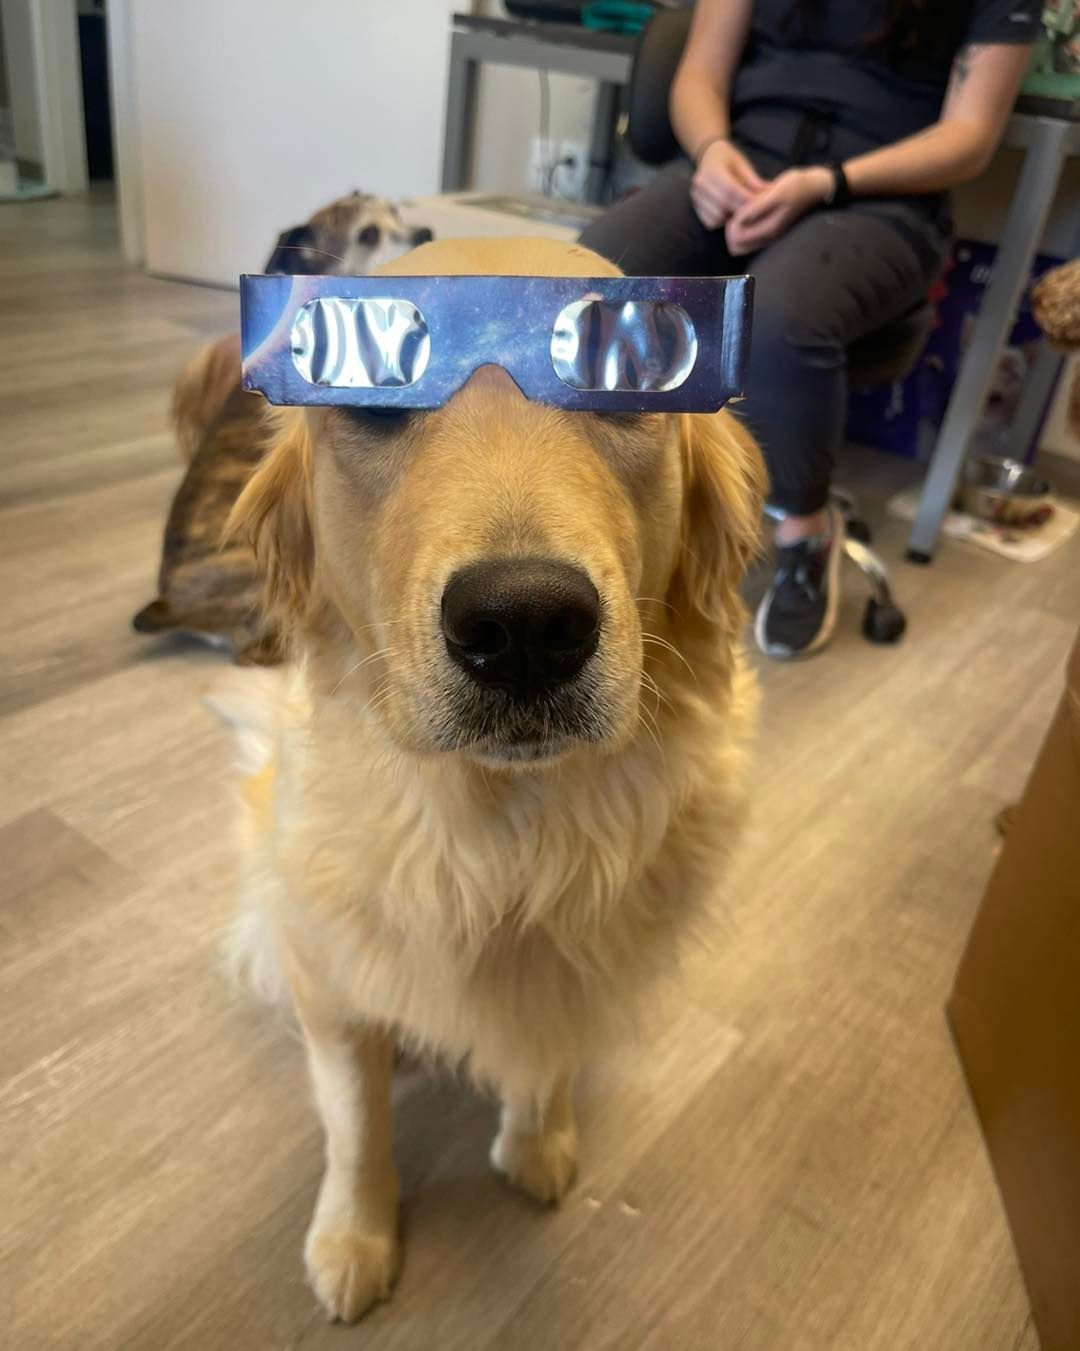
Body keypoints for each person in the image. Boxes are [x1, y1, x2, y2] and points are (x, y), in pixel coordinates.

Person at [580, 0, 1039, 659]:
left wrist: (826, 184)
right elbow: (698, 78)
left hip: (879, 198)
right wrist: (712, 153)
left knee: (777, 322)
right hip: (739, 164)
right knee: (594, 278)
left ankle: (805, 534)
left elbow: (970, 137)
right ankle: (606, 504)